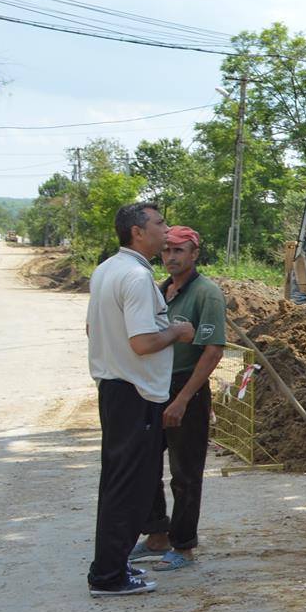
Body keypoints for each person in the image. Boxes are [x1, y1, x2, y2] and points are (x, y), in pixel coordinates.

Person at [84, 202, 192, 597]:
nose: (167, 230)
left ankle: (110, 566)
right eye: (159, 224)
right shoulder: (134, 277)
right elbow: (143, 341)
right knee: (129, 487)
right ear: (137, 232)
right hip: (133, 392)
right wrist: (177, 332)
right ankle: (108, 576)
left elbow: (90, 328)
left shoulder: (107, 270)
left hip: (116, 389)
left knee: (117, 483)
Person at [134, 226, 225, 571]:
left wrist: (183, 399)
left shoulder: (206, 294)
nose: (171, 257)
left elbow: (212, 351)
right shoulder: (160, 291)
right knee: (143, 463)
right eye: (167, 251)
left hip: (186, 388)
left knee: (185, 473)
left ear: (194, 254)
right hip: (155, 387)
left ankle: (183, 545)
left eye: (180, 251)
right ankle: (157, 533)